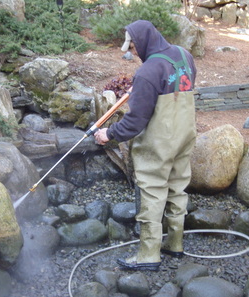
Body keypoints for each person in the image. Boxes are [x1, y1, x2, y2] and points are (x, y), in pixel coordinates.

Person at [94, 20, 197, 271]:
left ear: (142, 42)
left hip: (159, 142)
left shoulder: (148, 71)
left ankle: (149, 254)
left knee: (152, 191)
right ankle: (175, 243)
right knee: (177, 187)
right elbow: (175, 84)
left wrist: (110, 133)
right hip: (184, 135)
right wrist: (141, 89)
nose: (134, 52)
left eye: (133, 46)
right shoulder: (185, 55)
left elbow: (134, 123)